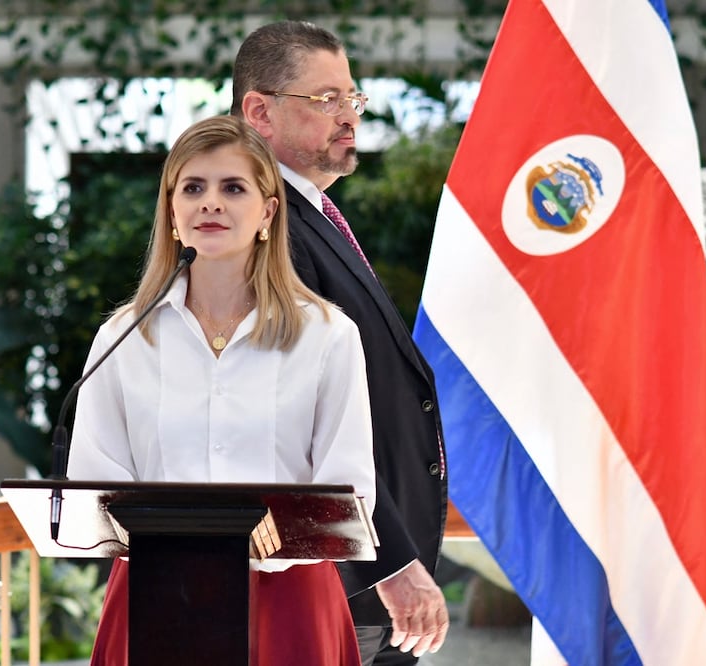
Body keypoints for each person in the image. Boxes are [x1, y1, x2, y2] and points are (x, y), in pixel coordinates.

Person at [66, 115, 376, 665]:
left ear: (268, 211)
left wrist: (273, 532)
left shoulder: (329, 335)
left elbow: (350, 492)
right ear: (172, 213)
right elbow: (95, 484)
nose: (210, 203)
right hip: (154, 597)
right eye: (193, 188)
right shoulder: (123, 338)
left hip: (291, 601)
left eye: (233, 187)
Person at [233, 21, 450, 664]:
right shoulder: (267, 230)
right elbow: (291, 423)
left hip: (363, 587)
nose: (348, 117)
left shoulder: (314, 215)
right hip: (334, 589)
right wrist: (387, 566)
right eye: (325, 99)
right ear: (259, 112)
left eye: (352, 99)